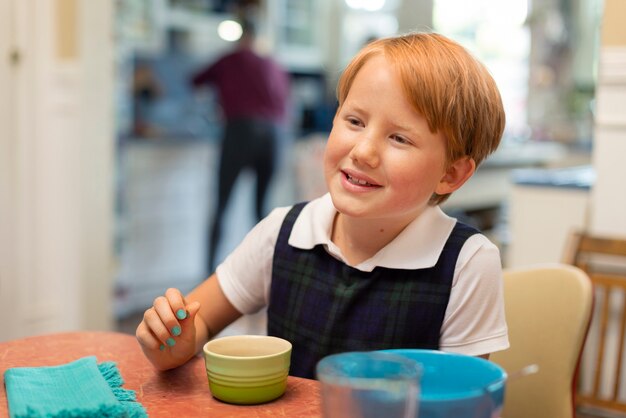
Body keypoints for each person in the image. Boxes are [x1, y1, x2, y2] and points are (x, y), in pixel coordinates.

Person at [137, 31, 509, 379]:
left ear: (451, 174)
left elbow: (461, 401)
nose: (362, 151)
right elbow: (193, 327)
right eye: (354, 121)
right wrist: (172, 341)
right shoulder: (282, 231)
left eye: (398, 138)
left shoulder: (467, 264)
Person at [190, 18, 290, 274]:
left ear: (241, 37)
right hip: (275, 137)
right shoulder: (275, 65)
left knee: (222, 205)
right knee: (262, 210)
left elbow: (195, 81)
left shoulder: (230, 59)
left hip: (241, 131)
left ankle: (207, 275)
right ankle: (267, 278)